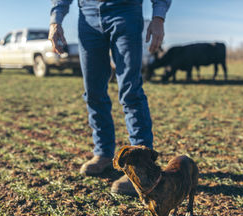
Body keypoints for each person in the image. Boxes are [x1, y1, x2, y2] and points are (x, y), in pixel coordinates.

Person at [49, 0, 171, 195]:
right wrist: (56, 20)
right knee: (93, 92)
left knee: (131, 91)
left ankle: (141, 167)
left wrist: (158, 17)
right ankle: (103, 153)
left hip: (126, 11)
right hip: (87, 14)